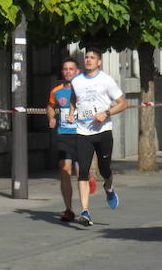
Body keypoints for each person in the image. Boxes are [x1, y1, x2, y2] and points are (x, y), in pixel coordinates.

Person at [69, 46, 127, 226]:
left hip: (102, 132)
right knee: (83, 171)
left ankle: (109, 188)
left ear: (99, 62)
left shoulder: (106, 80)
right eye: (86, 57)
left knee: (104, 170)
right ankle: (85, 211)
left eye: (92, 57)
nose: (88, 60)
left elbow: (123, 103)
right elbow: (73, 99)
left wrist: (106, 113)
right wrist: (71, 113)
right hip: (83, 132)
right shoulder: (76, 81)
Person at [47, 58, 97, 222]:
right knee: (65, 170)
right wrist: (51, 118)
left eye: (71, 69)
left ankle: (85, 208)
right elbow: (50, 106)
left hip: (82, 134)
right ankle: (69, 209)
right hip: (64, 136)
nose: (68, 72)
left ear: (77, 71)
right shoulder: (57, 91)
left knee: (81, 171)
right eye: (65, 69)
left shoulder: (85, 89)